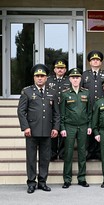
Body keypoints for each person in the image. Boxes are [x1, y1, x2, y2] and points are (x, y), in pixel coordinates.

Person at [17, 64, 60, 194]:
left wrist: (56, 128)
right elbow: (21, 111)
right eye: (37, 76)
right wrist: (25, 127)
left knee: (45, 158)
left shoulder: (52, 92)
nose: (40, 78)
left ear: (46, 78)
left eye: (42, 76)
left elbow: (56, 113)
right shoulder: (27, 91)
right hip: (31, 131)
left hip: (47, 131)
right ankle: (31, 183)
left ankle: (42, 182)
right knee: (31, 158)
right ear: (34, 77)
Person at [60, 68, 91, 189]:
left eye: (77, 77)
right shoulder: (65, 93)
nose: (75, 79)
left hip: (83, 126)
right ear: (70, 79)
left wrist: (89, 126)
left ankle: (82, 178)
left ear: (81, 79)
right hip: (69, 127)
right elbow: (62, 112)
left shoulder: (86, 93)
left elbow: (89, 112)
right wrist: (62, 127)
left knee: (82, 153)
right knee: (68, 153)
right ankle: (67, 179)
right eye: (73, 77)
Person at [81, 50, 104, 161]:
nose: (95, 61)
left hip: (102, 107)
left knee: (100, 129)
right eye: (93, 60)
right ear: (89, 62)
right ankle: (89, 152)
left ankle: (98, 152)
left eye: (97, 60)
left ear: (101, 62)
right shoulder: (84, 75)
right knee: (89, 130)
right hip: (88, 107)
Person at [46, 59, 70, 161]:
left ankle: (63, 153)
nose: (60, 70)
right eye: (58, 68)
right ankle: (52, 153)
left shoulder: (69, 80)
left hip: (66, 109)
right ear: (54, 69)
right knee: (53, 131)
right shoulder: (48, 80)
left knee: (64, 132)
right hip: (52, 110)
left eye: (62, 68)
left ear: (65, 70)